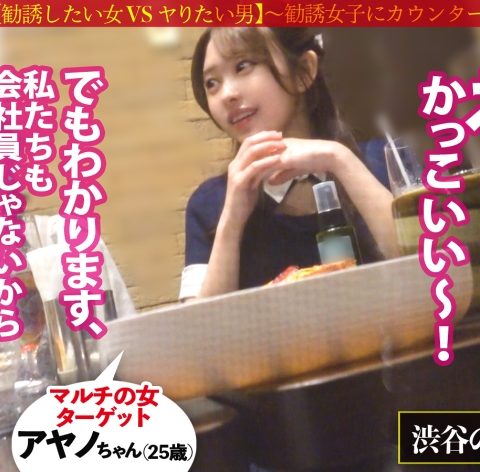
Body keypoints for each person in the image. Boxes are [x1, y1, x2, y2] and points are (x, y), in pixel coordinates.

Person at [179, 28, 399, 301]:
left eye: (243, 66)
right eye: (211, 83)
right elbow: (200, 324)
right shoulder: (208, 203)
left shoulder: (384, 161)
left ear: (303, 71)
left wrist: (338, 159)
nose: (227, 94)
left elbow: (433, 266)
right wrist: (231, 219)